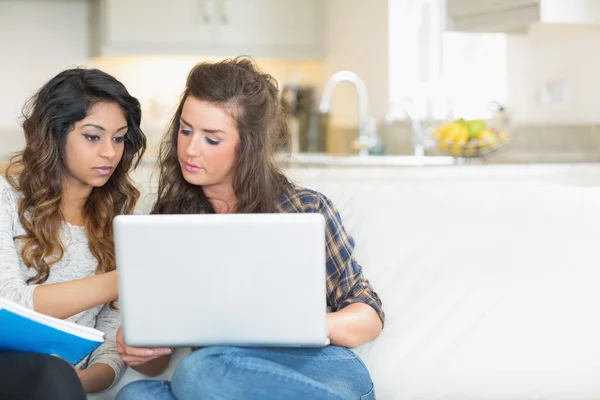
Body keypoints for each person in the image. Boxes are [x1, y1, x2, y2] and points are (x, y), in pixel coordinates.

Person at [116, 57, 384, 400]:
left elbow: (368, 315)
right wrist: (140, 349)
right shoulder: (170, 221)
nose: (190, 149)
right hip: (221, 378)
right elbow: (157, 360)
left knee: (198, 371)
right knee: (137, 396)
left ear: (248, 147)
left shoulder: (304, 208)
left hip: (320, 370)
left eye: (211, 139)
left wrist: (302, 325)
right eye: (185, 130)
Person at [0, 67, 147, 396]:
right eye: (93, 136)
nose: (110, 152)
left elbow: (112, 344)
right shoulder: (5, 199)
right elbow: (9, 302)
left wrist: (82, 381)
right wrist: (128, 276)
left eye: (119, 138)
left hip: (62, 384)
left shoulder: (120, 223)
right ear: (55, 133)